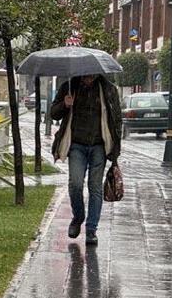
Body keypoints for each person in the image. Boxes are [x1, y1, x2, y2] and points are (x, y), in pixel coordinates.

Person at [50, 74, 122, 246]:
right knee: (75, 183)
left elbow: (117, 120)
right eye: (87, 74)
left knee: (95, 187)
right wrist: (65, 105)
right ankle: (78, 217)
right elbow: (53, 114)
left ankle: (91, 230)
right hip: (76, 145)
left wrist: (115, 150)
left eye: (93, 74)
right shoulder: (69, 86)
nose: (89, 77)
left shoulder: (108, 89)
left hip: (99, 146)